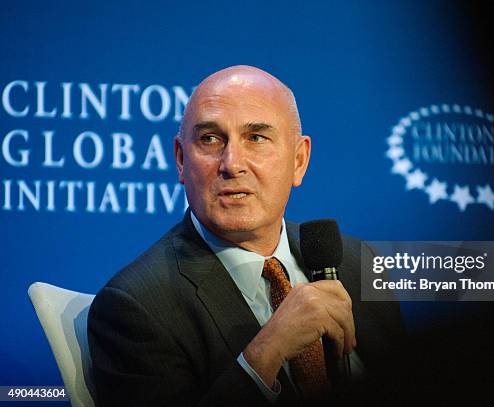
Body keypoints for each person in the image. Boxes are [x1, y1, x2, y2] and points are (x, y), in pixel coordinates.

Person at [87, 65, 407, 406]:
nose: (232, 163)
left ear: (299, 160)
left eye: (256, 138)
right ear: (181, 160)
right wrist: (266, 353)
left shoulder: (359, 261)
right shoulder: (136, 306)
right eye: (210, 139)